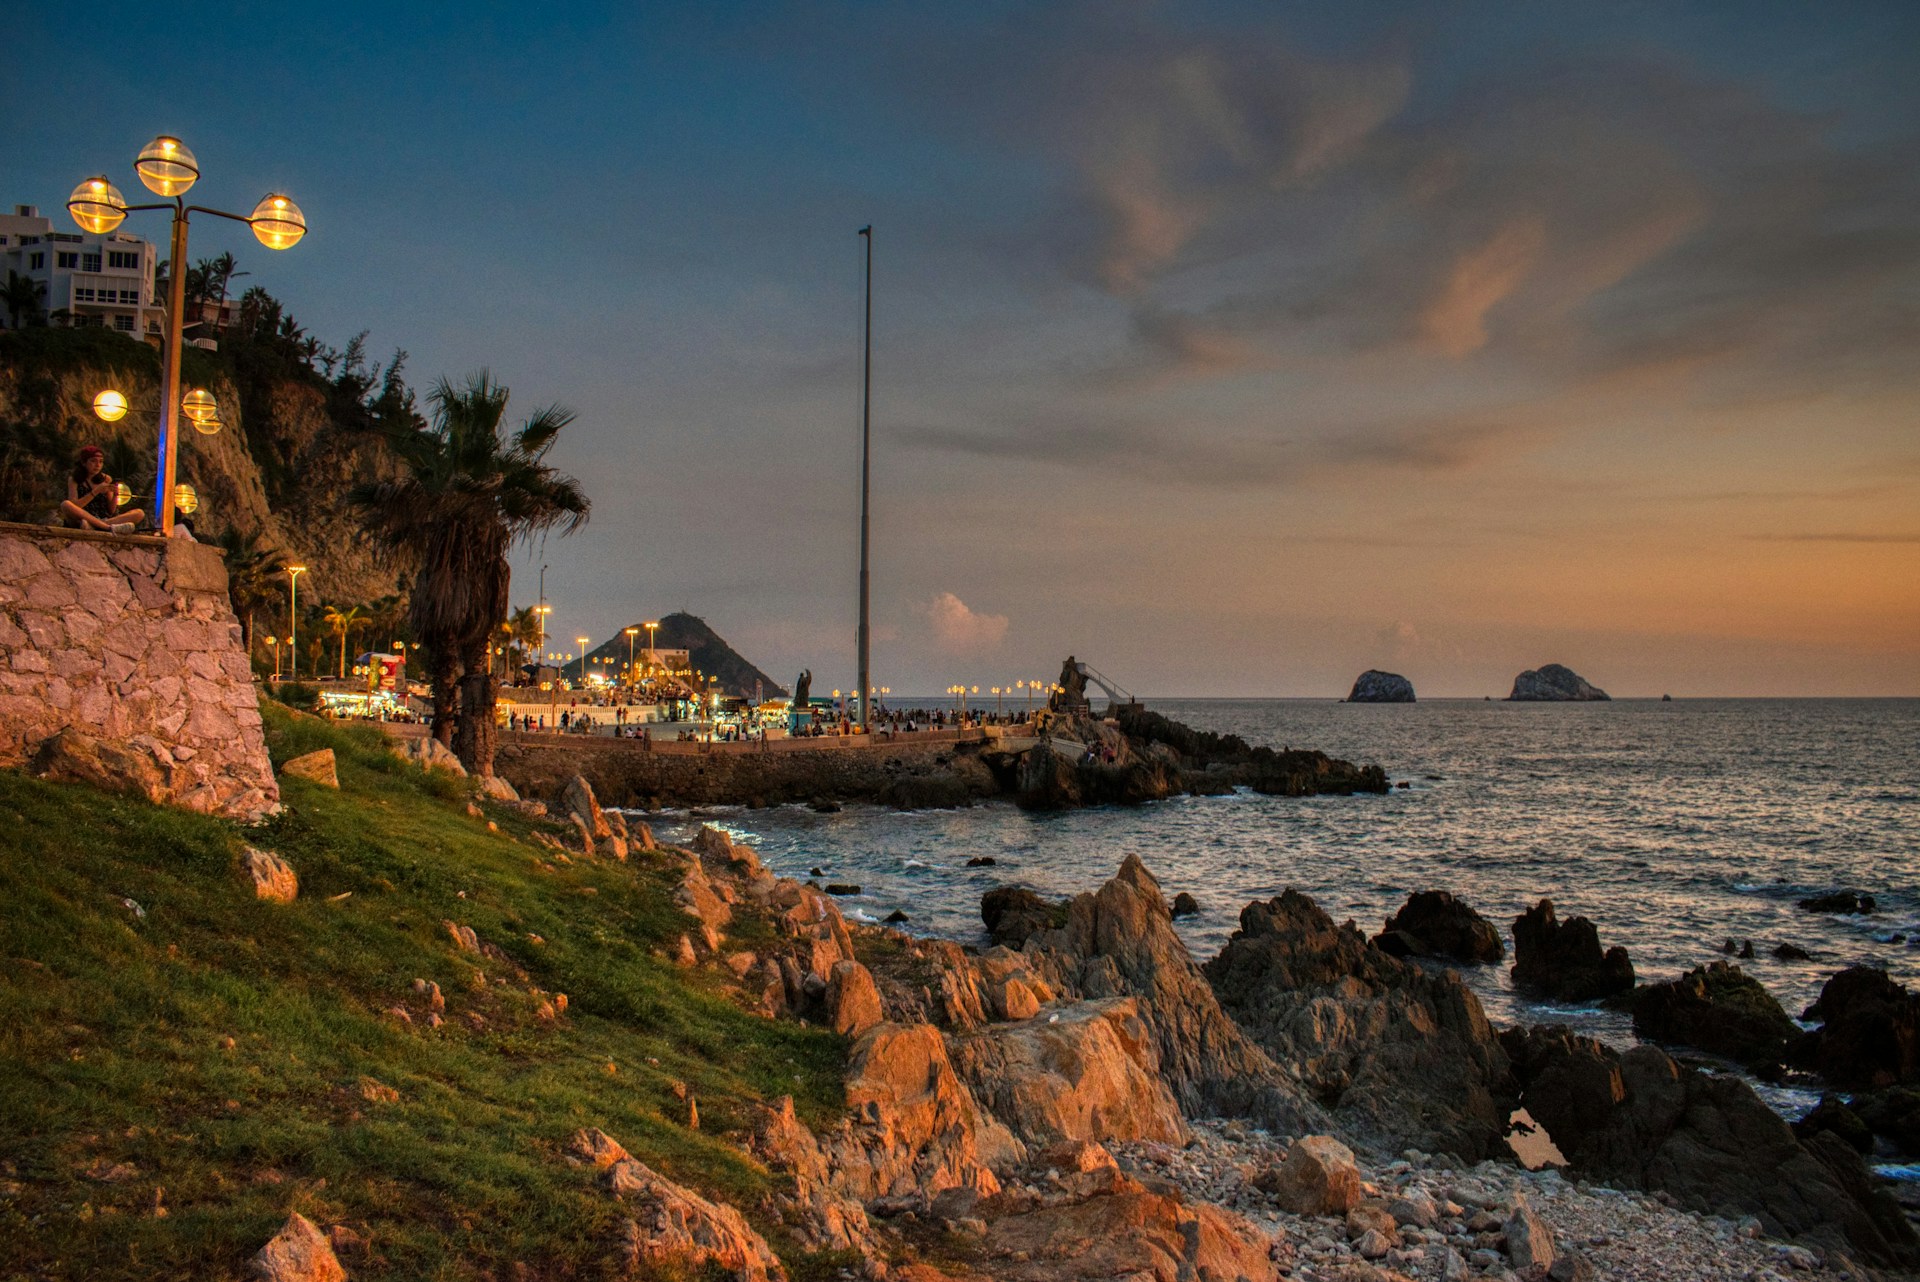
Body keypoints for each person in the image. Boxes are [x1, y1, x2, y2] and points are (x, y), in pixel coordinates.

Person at [61, 446, 146, 532]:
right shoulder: (74, 479)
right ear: (84, 463)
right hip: (82, 519)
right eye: (93, 461)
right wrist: (96, 491)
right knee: (65, 504)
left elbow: (111, 511)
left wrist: (116, 495)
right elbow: (76, 506)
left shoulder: (106, 479)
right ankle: (106, 527)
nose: (98, 465)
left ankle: (95, 526)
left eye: (101, 462)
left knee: (139, 513)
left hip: (103, 518)